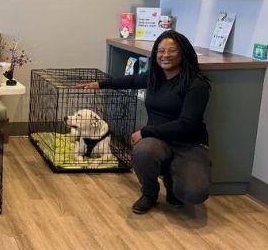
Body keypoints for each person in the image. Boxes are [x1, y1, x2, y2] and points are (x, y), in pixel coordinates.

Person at [81, 30, 211, 214]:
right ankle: (150, 194)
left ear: (183, 53)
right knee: (143, 151)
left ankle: (173, 182)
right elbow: (133, 80)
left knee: (193, 193)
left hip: (189, 143)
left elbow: (187, 124)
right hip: (159, 141)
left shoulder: (196, 84)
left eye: (172, 50)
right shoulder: (155, 77)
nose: (165, 55)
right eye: (160, 50)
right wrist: (100, 84)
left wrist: (146, 132)